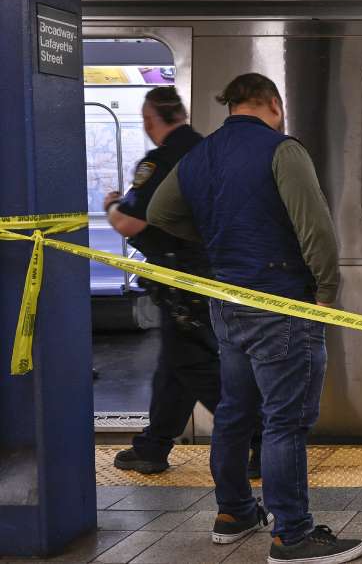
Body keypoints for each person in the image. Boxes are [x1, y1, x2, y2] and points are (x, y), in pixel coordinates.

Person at [147, 74, 362, 564]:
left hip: (226, 299)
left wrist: (217, 237)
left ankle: (235, 512)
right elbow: (316, 229)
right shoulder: (282, 150)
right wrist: (326, 294)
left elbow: (160, 212)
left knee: (234, 411)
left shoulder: (199, 154)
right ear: (273, 103)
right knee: (285, 421)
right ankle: (293, 534)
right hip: (281, 301)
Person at [103, 86, 266, 477]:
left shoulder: (160, 162)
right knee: (177, 362)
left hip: (182, 280)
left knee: (194, 364)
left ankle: (260, 438)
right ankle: (154, 445)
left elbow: (130, 221)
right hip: (218, 271)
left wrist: (110, 205)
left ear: (149, 119)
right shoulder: (211, 150)